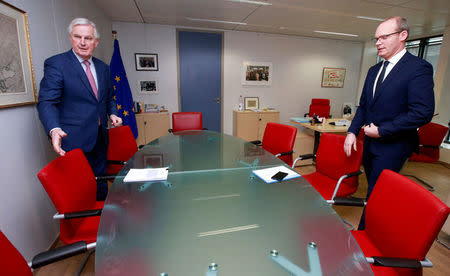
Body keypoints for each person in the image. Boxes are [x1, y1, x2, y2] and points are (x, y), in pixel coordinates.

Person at [344, 16, 434, 229]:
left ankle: (363, 239)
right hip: (370, 143)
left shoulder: (418, 68)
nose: (378, 42)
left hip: (394, 144)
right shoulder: (374, 70)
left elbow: (422, 112)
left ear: (403, 36)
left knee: (376, 192)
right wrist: (351, 132)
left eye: (384, 37)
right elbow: (364, 106)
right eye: (376, 38)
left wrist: (383, 130)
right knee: (373, 190)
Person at [37, 18, 122, 200]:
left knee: (100, 185)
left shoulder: (103, 68)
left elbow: (108, 98)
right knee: (80, 190)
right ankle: (86, 223)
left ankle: (102, 219)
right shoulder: (57, 64)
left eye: (88, 38)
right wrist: (54, 129)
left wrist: (113, 112)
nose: (83, 42)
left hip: (100, 137)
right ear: (71, 38)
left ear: (95, 42)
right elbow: (47, 102)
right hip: (73, 140)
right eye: (78, 37)